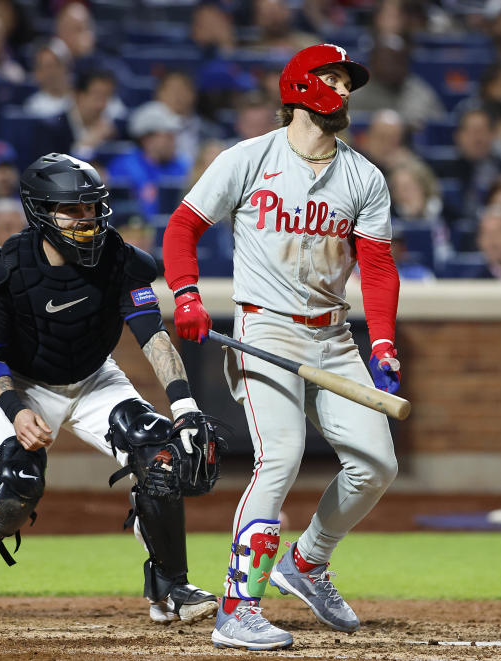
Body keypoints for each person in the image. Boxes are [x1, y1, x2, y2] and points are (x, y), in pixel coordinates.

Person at [0, 153, 219, 633]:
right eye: (73, 211)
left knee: (161, 455)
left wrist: (184, 405)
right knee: (14, 490)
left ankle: (170, 586)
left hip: (95, 378)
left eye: (92, 209)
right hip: (25, 383)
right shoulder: (4, 271)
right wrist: (14, 409)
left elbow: (153, 336)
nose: (87, 221)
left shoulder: (121, 260)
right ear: (40, 213)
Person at [163, 44, 400, 650]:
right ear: (298, 87)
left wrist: (384, 343)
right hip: (265, 328)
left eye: (348, 81)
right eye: (332, 78)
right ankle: (238, 607)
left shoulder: (363, 176)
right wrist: (187, 295)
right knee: (281, 454)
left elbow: (376, 268)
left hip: (333, 332)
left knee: (376, 466)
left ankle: (308, 563)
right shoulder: (250, 158)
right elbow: (183, 227)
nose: (343, 90)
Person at [108, 102, 188, 222]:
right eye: (168, 136)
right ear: (147, 140)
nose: (173, 142)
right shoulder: (123, 167)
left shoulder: (182, 165)